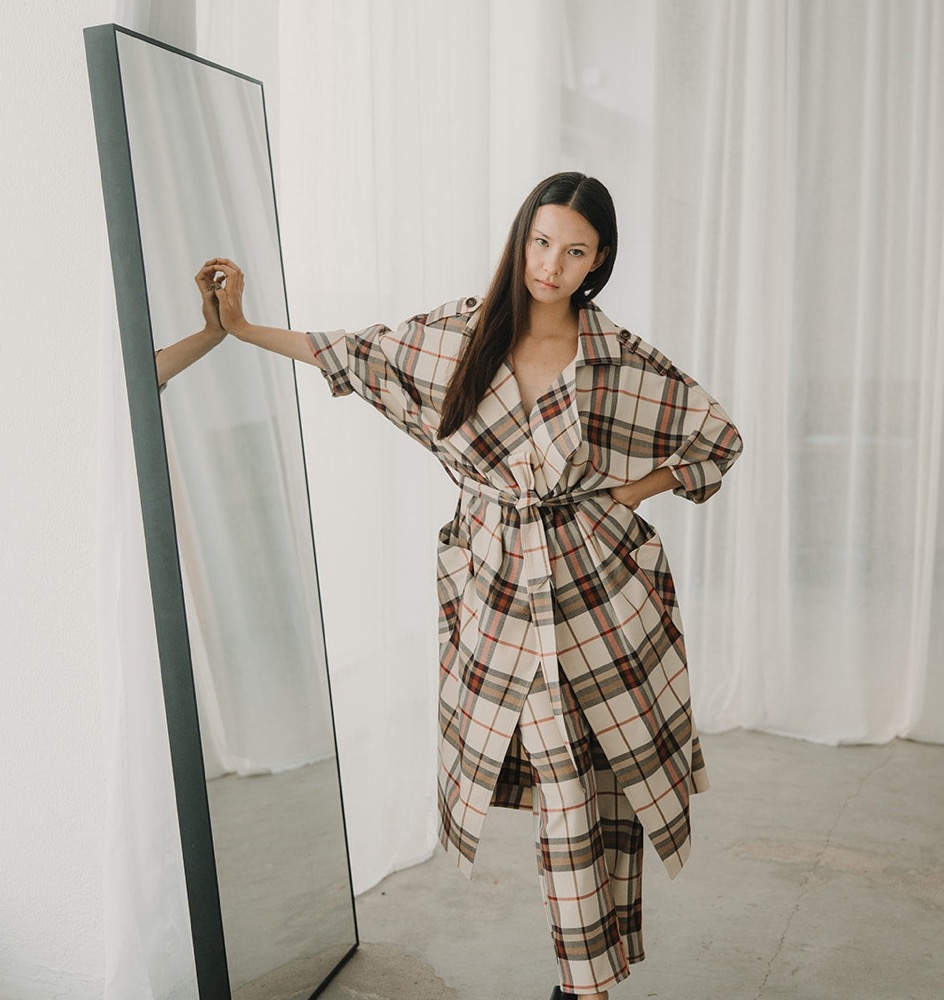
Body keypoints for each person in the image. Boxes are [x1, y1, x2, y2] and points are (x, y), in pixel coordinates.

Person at [202, 171, 743, 1000]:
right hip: (496, 591)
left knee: (587, 789)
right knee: (565, 788)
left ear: (598, 262)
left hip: (598, 595)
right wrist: (239, 327)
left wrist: (633, 492)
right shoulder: (459, 337)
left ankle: (585, 985)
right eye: (540, 242)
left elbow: (716, 439)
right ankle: (588, 981)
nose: (550, 265)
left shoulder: (615, 360)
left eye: (574, 252)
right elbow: (350, 354)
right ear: (520, 237)